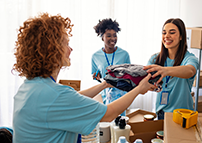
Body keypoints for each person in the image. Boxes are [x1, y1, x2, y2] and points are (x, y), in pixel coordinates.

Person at [12, 13, 156, 143]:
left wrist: (104, 85)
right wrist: (139, 89)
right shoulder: (55, 95)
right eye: (66, 44)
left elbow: (71, 99)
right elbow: (108, 114)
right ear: (52, 50)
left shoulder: (30, 87)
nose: (71, 49)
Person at [143, 18, 199, 120]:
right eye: (164, 33)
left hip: (183, 115)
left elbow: (190, 71)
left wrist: (165, 70)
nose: (167, 36)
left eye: (172, 33)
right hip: (161, 113)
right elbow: (145, 80)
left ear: (181, 36)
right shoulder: (155, 59)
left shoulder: (190, 58)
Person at [91, 18, 130, 115]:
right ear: (102, 38)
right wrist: (96, 76)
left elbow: (130, 74)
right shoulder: (95, 56)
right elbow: (95, 74)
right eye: (108, 36)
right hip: (105, 95)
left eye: (115, 35)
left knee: (120, 124)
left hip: (121, 95)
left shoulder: (124, 54)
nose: (113, 39)